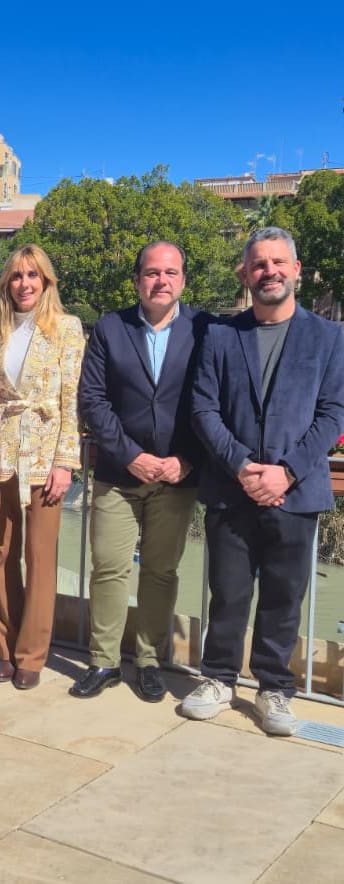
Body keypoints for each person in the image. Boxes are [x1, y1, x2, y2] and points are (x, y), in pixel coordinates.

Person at [183, 227, 344, 735]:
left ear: (296, 270)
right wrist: (239, 464)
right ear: (245, 274)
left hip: (296, 493)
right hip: (233, 489)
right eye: (258, 264)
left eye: (278, 262)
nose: (268, 271)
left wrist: (287, 470)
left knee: (283, 596)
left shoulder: (330, 337)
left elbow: (333, 412)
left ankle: (275, 688)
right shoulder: (221, 335)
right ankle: (218, 678)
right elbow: (203, 407)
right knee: (227, 593)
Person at [73, 242, 213, 702]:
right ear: (137, 280)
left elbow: (213, 402)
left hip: (177, 476)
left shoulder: (206, 329)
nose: (161, 280)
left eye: (171, 272)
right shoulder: (112, 328)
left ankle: (150, 661)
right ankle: (105, 661)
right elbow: (93, 399)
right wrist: (131, 454)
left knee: (160, 572)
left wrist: (187, 458)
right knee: (109, 569)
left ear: (183, 281)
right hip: (119, 473)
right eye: (152, 273)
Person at [0, 244, 84, 690]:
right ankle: (5, 646)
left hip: (43, 456)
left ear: (46, 282)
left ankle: (31, 654)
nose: (25, 284)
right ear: (7, 282)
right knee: (1, 554)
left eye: (33, 276)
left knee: (39, 557)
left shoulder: (66, 329)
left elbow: (71, 399)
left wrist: (65, 462)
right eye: (17, 276)